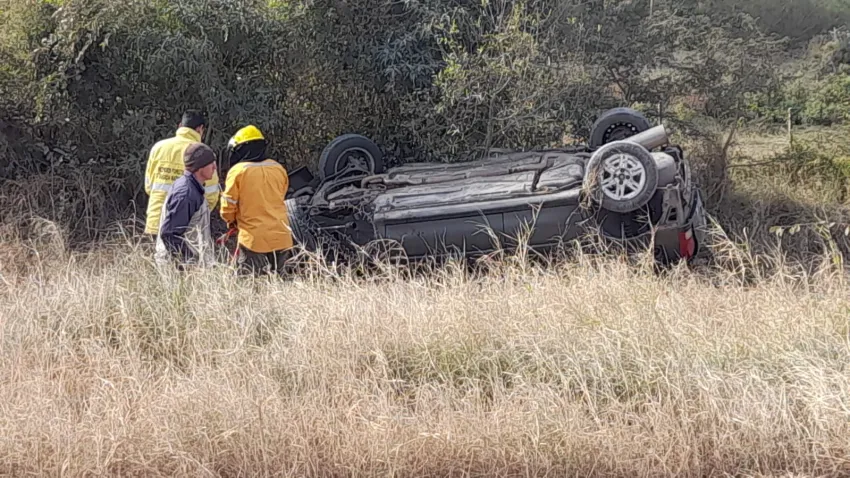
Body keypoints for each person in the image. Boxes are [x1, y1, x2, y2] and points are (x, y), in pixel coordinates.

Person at [221, 125, 294, 275]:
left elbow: (228, 206)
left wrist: (231, 221)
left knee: (248, 281)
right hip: (281, 236)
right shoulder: (278, 168)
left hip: (253, 239)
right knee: (280, 281)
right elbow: (281, 195)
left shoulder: (238, 171)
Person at [144, 110, 221, 236]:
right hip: (186, 227)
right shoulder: (203, 153)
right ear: (200, 129)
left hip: (156, 222)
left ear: (180, 126)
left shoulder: (158, 148)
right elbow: (211, 195)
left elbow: (149, 186)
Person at [154, 143, 218, 270]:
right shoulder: (186, 194)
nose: (215, 167)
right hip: (178, 270)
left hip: (184, 267)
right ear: (200, 168)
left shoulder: (191, 188)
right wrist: (190, 263)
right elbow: (169, 234)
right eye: (211, 163)